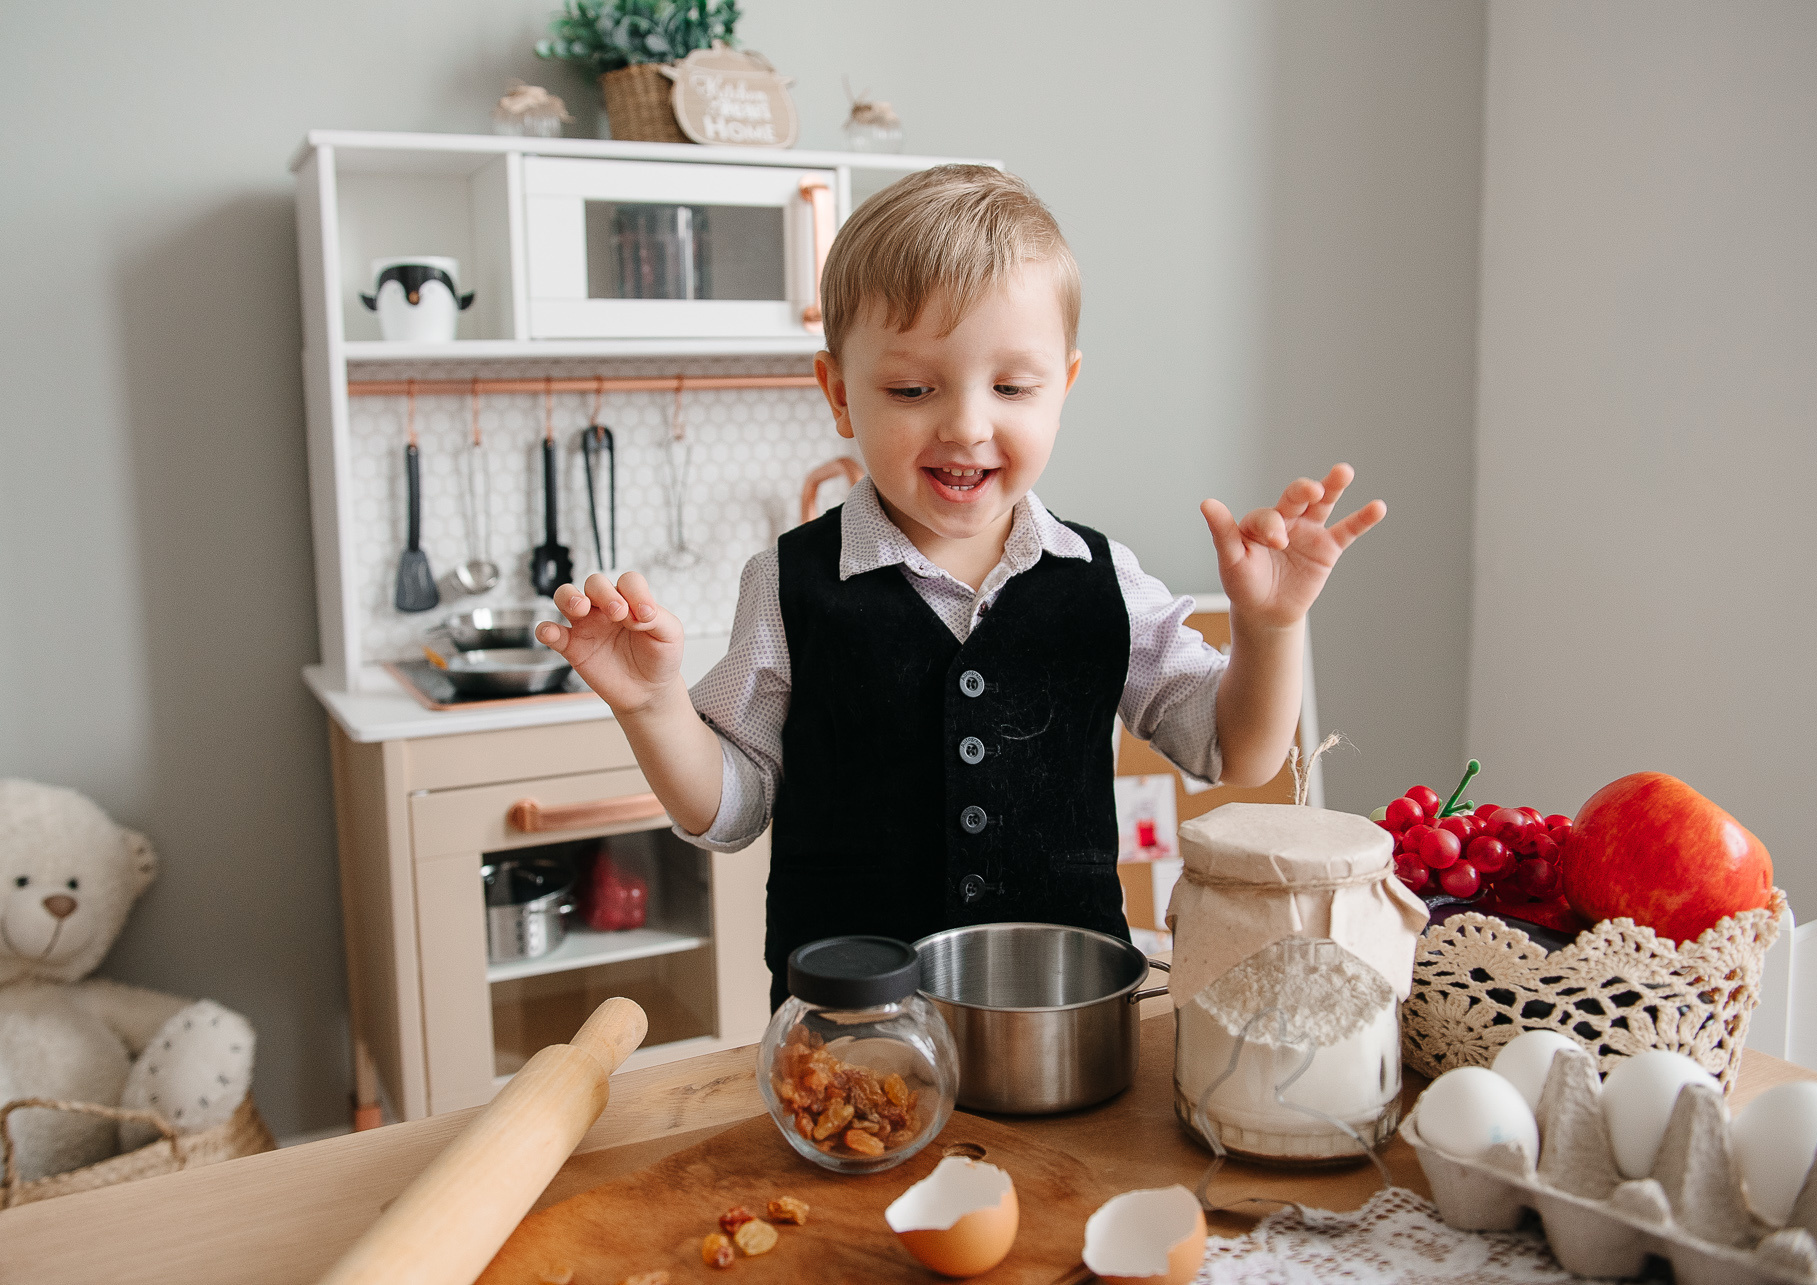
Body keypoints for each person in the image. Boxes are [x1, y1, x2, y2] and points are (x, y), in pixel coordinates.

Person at [535, 165, 1385, 1005]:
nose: (968, 424)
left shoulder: (1103, 579)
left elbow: (1238, 751)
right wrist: (653, 707)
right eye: (912, 388)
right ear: (838, 392)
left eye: (1012, 386)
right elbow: (732, 810)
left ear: (1065, 387)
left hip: (1060, 1027)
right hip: (850, 1038)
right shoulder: (788, 583)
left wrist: (1269, 629)